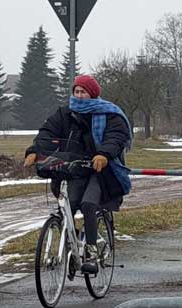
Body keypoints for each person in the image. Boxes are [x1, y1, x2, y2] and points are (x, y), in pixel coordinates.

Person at [24, 74, 131, 274]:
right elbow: (47, 133)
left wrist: (104, 154)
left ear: (93, 94)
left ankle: (91, 252)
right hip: (75, 169)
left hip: (100, 171)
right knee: (68, 206)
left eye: (84, 92)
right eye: (77, 91)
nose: (79, 96)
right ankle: (73, 246)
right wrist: (35, 151)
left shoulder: (109, 114)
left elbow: (116, 137)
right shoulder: (64, 114)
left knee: (88, 204)